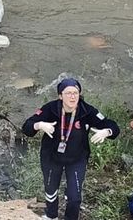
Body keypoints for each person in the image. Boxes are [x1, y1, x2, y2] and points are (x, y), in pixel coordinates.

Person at [22, 78, 120, 220]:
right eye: (68, 93)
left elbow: (112, 125)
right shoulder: (50, 109)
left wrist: (106, 132)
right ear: (60, 96)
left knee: (75, 197)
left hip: (77, 158)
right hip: (51, 157)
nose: (73, 96)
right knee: (50, 189)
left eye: (76, 93)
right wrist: (39, 125)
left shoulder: (87, 110)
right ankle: (51, 215)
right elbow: (27, 126)